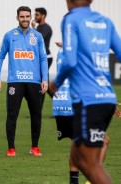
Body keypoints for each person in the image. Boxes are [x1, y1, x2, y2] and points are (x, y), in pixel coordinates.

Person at [49, 0, 121, 183]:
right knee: (76, 154)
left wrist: (55, 83)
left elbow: (70, 61)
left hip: (89, 101)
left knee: (91, 165)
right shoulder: (105, 22)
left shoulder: (71, 20)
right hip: (106, 98)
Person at [0, 6, 48, 157]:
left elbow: (43, 58)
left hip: (34, 82)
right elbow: (0, 56)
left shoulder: (37, 36)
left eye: (27, 16)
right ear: (17, 18)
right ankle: (11, 148)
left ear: (30, 18)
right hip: (15, 82)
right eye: (22, 17)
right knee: (12, 115)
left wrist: (45, 79)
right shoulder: (9, 35)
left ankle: (35, 147)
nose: (25, 19)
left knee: (36, 115)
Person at [53, 42, 110, 184]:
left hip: (60, 105)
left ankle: (74, 182)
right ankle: (91, 179)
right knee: (104, 140)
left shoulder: (62, 50)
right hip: (75, 105)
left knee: (76, 146)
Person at [31, 7, 53, 104]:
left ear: (43, 15)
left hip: (46, 58)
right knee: (43, 83)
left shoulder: (46, 28)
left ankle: (38, 110)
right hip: (39, 58)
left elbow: (38, 40)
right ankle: (60, 102)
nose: (35, 16)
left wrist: (33, 28)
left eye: (37, 14)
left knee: (43, 82)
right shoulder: (39, 27)